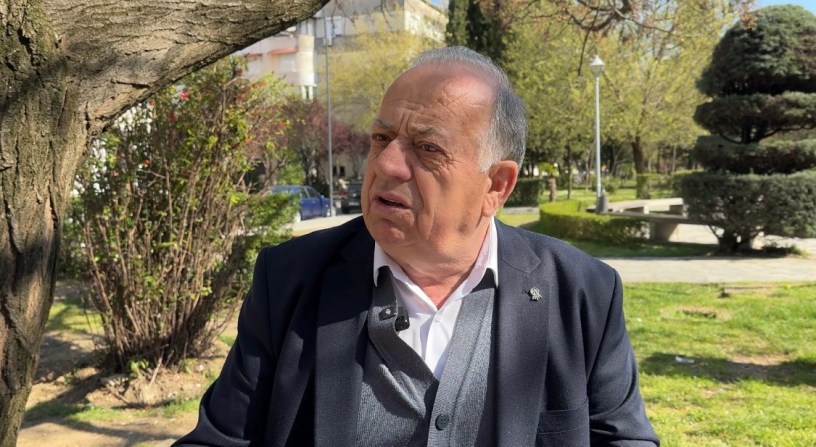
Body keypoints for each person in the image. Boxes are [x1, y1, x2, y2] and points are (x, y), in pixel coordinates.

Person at [175, 46, 659, 446]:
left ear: (496, 186)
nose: (387, 165)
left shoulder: (582, 294)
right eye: (381, 137)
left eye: (428, 148)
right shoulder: (289, 280)